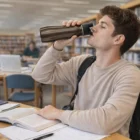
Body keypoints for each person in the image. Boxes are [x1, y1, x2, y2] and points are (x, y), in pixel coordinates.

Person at [32, 6, 140, 137]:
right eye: (97, 24)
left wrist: (58, 114)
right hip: (75, 133)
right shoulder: (82, 63)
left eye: (103, 26)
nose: (93, 28)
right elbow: (40, 75)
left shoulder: (130, 74)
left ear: (117, 39)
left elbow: (105, 122)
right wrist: (58, 46)